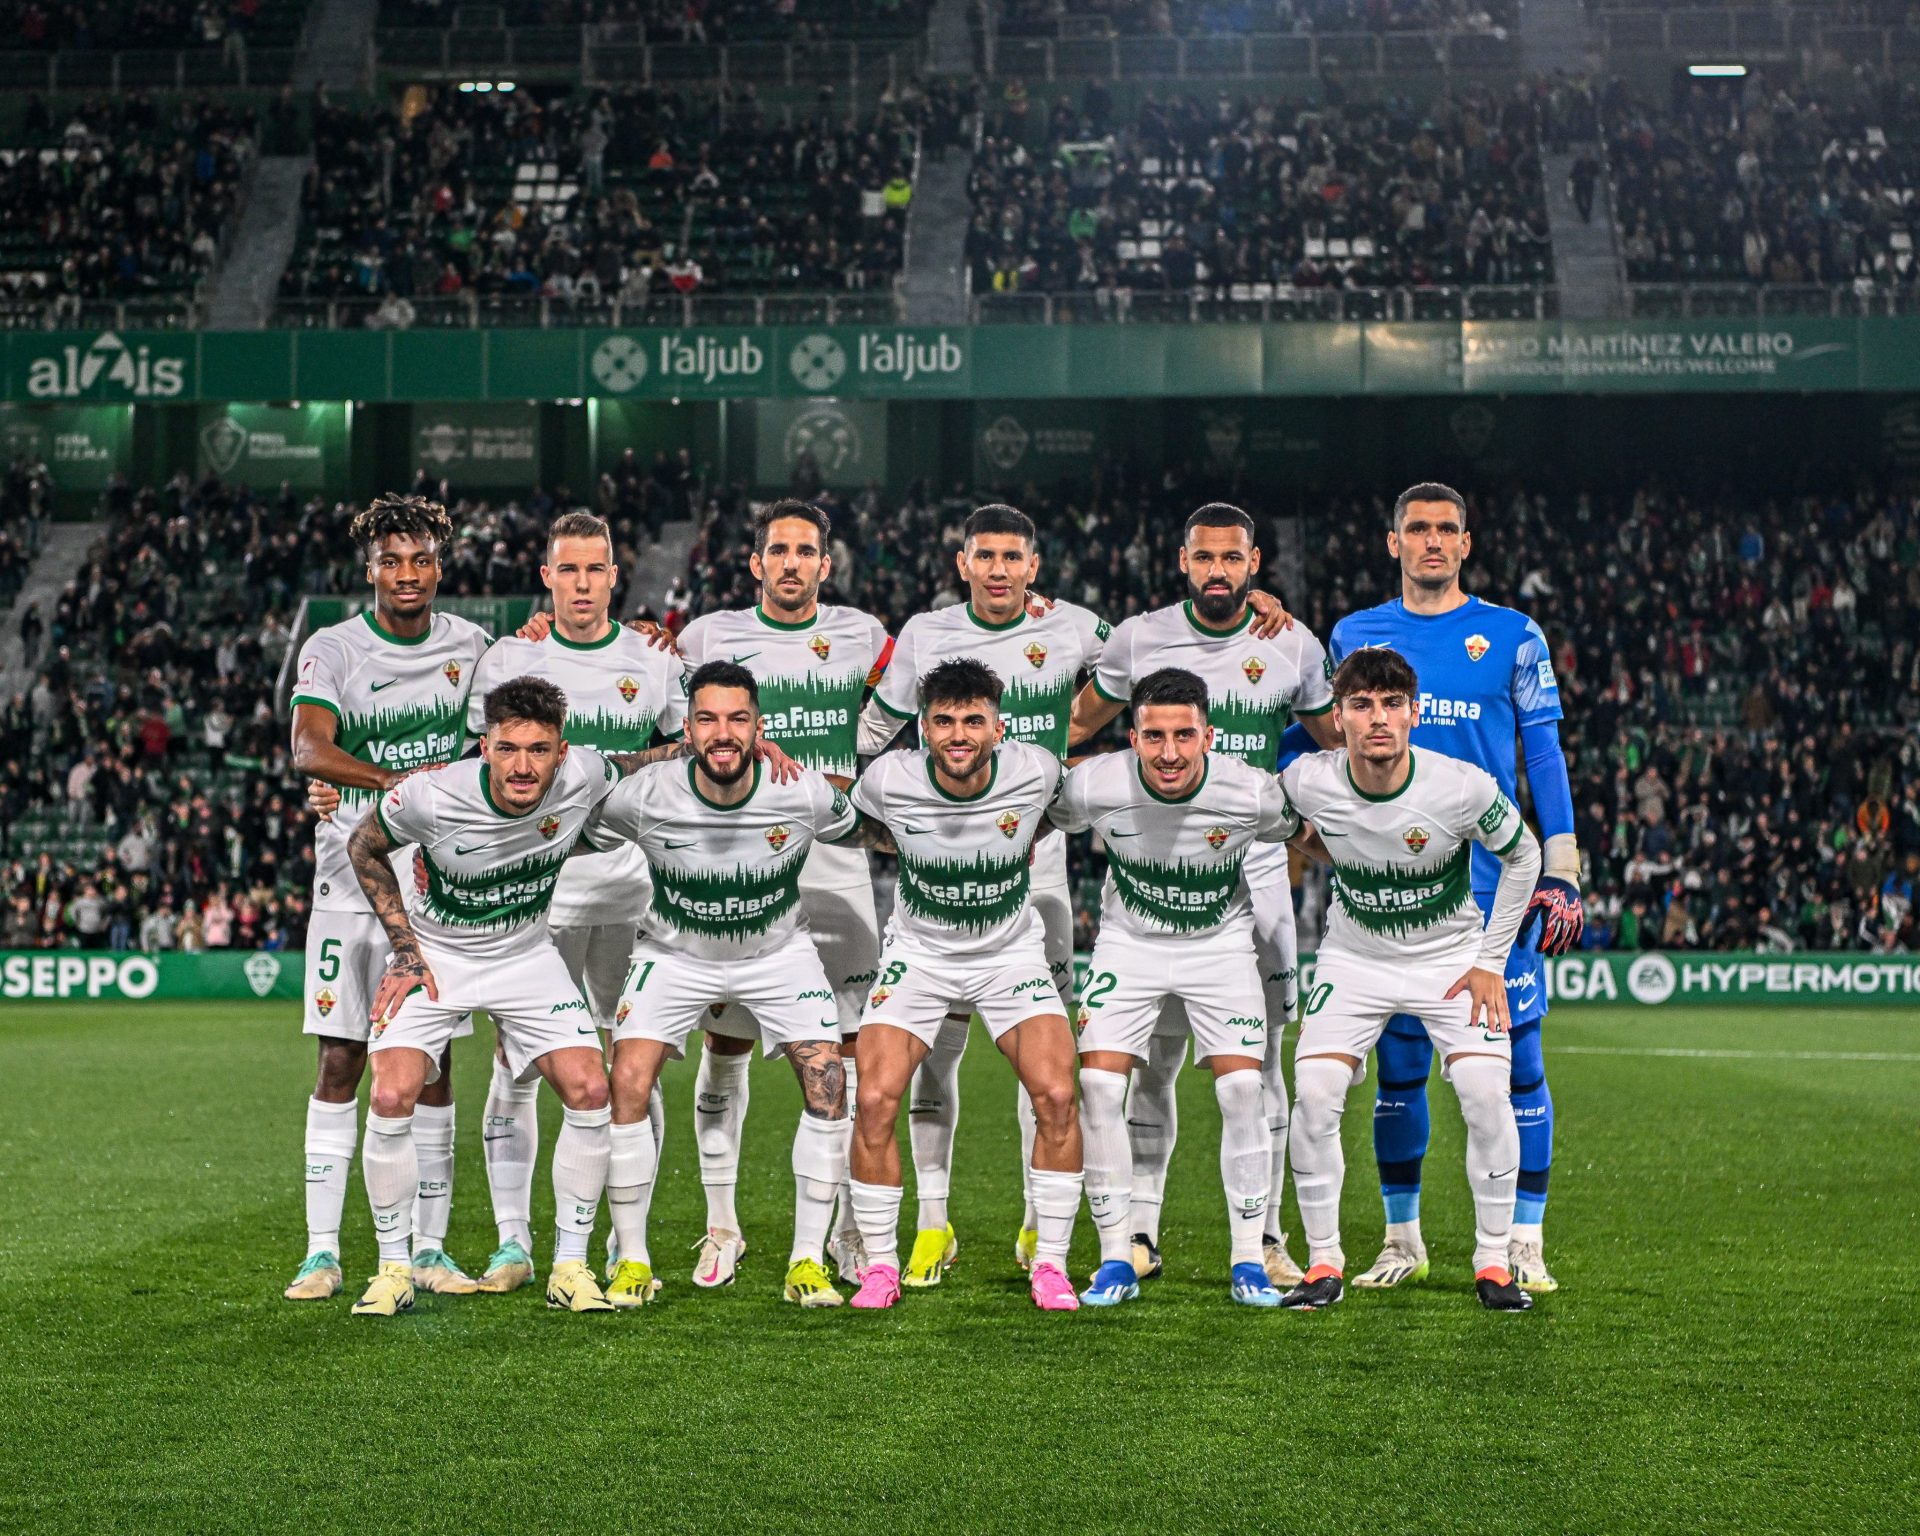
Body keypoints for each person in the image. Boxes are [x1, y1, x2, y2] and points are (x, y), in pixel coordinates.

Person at [1304, 482, 1582, 1293]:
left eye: (1447, 529)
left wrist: (1562, 866)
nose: (1433, 541)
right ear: (1394, 543)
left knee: (1516, 1067)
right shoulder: (1354, 634)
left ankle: (1522, 1239)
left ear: (1467, 543)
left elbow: (1543, 751)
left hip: (1494, 890)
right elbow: (1318, 732)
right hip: (1393, 893)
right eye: (1418, 529)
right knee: (1398, 1070)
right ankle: (1403, 1238)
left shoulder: (1514, 636)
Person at [1068, 502, 1343, 1289]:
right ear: (1182, 561)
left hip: (1257, 859)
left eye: (1232, 558)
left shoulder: (1293, 642)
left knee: (1262, 1063)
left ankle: (1266, 1237)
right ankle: (1139, 1231)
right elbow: (1077, 726)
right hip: (1156, 856)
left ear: (1255, 563)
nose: (1217, 571)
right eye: (1204, 558)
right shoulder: (1139, 637)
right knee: (1150, 1062)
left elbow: (1337, 748)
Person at [587, 661, 886, 1309]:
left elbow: (874, 829)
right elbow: (569, 825)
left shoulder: (799, 790)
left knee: (828, 1084)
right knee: (627, 1083)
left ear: (759, 728)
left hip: (777, 954)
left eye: (737, 719)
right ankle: (632, 1260)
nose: (722, 732)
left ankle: (807, 1260)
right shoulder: (646, 794)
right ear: (687, 729)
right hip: (674, 953)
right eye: (707, 719)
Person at [343, 676, 639, 1317]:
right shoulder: (432, 795)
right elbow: (363, 845)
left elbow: (646, 760)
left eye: (538, 750)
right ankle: (394, 1269)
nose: (522, 766)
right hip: (438, 957)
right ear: (485, 747)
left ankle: (570, 1266)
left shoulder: (585, 774)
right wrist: (404, 949)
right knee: (391, 1095)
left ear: (562, 752)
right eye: (507, 748)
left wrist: (721, 746)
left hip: (526, 957)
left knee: (591, 1089)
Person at [458, 511, 686, 1294]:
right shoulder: (509, 657)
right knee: (515, 1064)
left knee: (634, 1067)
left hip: (632, 892)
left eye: (595, 569)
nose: (582, 584)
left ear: (615, 576)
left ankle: (627, 1243)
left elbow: (686, 755)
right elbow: (474, 768)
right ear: (546, 576)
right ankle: (512, 1243)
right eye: (568, 569)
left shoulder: (652, 659)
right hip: (536, 897)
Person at [1279, 646, 1540, 1313]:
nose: (1378, 719)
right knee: (1315, 1094)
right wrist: (1321, 849)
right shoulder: (1307, 779)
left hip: (1450, 960)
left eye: (1392, 704)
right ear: (1339, 716)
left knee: (1486, 1094)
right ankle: (1324, 1262)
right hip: (1354, 959)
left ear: (1414, 713)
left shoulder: (1461, 786)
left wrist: (1490, 961)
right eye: (1361, 705)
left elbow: (1524, 855)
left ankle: (1493, 1262)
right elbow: (1278, 823)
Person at [673, 501, 889, 1288]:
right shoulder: (706, 637)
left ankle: (846, 1228)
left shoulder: (864, 633)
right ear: (755, 562)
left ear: (826, 565)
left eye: (806, 551)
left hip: (835, 862)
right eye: (779, 550)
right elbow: (658, 709)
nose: (792, 562)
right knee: (725, 1046)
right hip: (737, 859)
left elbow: (926, 675)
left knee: (848, 1053)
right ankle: (721, 1227)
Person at [283, 493, 491, 1303]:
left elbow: (506, 730)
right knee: (341, 1060)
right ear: (368, 569)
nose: (408, 574)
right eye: (391, 561)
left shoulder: (472, 647)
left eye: (422, 560)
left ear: (441, 567)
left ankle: (430, 1250)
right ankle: (321, 1253)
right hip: (347, 885)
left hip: (437, 888)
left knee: (432, 1066)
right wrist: (395, 784)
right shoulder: (334, 647)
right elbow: (310, 748)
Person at [1053, 667, 1313, 1308]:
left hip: (1220, 947)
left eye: (1184, 735)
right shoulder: (1095, 783)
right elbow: (1035, 815)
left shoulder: (1250, 791)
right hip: (1130, 944)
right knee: (1099, 1085)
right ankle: (1116, 1259)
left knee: (1244, 1088)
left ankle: (1249, 1261)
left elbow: (1305, 836)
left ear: (1209, 736)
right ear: (1133, 738)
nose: (1169, 753)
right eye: (1154, 736)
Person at [842, 658, 1083, 1313]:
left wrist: (1025, 833)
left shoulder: (1035, 770)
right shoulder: (890, 777)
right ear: (923, 728)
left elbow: (1069, 808)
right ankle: (880, 1267)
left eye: (973, 721)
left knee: (1058, 1095)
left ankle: (1051, 1265)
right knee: (874, 1099)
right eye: (944, 721)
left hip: (1010, 955)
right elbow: (856, 822)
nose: (958, 734)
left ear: (998, 728)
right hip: (919, 956)